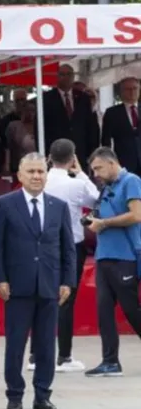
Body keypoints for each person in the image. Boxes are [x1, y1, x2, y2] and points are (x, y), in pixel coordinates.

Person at [0, 153, 75, 409]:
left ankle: (42, 394)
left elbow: (67, 248)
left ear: (46, 175)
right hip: (17, 286)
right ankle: (14, 395)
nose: (36, 176)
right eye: (31, 171)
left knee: (47, 345)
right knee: (16, 344)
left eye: (40, 171)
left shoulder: (59, 206)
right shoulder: (5, 204)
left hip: (49, 285)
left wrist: (67, 281)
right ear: (20, 175)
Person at [83, 146, 141, 377]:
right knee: (104, 310)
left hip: (125, 255)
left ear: (111, 163)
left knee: (131, 309)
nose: (96, 174)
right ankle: (110, 361)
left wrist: (104, 223)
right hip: (104, 255)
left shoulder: (131, 181)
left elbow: (136, 215)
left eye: (98, 168)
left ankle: (110, 361)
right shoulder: (106, 187)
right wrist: (93, 221)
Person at [42, 139, 98, 371]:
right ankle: (64, 356)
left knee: (43, 297)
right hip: (71, 245)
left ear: (49, 158)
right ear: (72, 158)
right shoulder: (75, 184)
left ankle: (36, 355)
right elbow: (96, 199)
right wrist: (82, 173)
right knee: (67, 299)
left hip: (44, 245)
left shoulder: (41, 180)